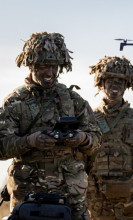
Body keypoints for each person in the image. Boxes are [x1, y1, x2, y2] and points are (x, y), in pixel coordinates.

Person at [0, 32, 100, 219]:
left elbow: (96, 140)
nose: (50, 72)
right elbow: (1, 147)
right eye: (44, 65)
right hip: (28, 195)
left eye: (54, 66)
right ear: (31, 65)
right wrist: (30, 141)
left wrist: (81, 138)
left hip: (70, 195)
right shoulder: (14, 103)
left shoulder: (73, 99)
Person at [86, 56, 133, 220]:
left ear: (127, 85)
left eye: (120, 81)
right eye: (110, 80)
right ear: (101, 83)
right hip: (97, 207)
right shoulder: (88, 120)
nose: (115, 85)